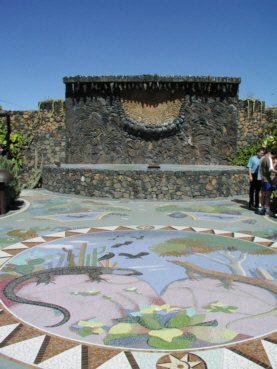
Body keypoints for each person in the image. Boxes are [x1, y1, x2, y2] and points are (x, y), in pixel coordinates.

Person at [258, 148, 277, 216]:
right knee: (267, 195)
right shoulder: (269, 159)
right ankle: (268, 210)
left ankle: (262, 208)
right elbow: (271, 169)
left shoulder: (263, 158)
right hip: (267, 179)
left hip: (263, 178)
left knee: (263, 194)